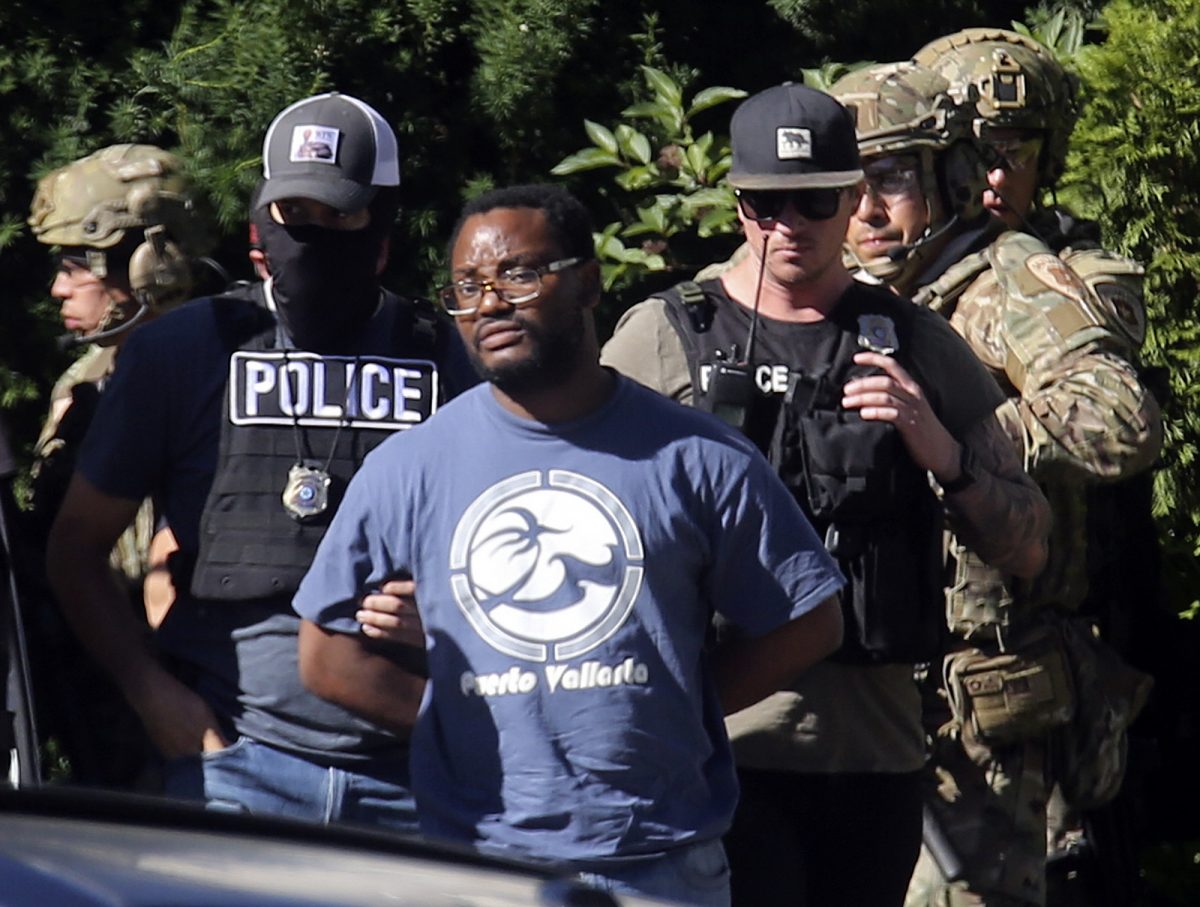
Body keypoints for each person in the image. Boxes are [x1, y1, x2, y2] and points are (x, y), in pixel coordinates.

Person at [293, 182, 847, 906]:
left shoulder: (697, 456)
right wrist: (458, 721)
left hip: (661, 864)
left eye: (518, 274)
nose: (488, 303)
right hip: (477, 865)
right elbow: (325, 655)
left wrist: (682, 706)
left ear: (588, 281)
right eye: (465, 287)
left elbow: (810, 620)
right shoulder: (410, 466)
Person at [600, 82, 1051, 907]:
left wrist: (940, 449)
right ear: (735, 204)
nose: (788, 226)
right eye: (763, 203)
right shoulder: (664, 336)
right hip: (716, 747)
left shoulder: (915, 341)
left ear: (852, 201)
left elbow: (1027, 544)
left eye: (813, 201)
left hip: (870, 758)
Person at [46, 91, 477, 829]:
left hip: (416, 778)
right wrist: (153, 695)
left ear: (383, 228)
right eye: (293, 214)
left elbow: (517, 558)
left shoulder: (452, 364)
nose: (311, 234)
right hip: (234, 769)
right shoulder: (181, 353)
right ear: (259, 226)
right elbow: (75, 550)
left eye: (338, 214)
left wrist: (447, 609)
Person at [829, 62, 1162, 907]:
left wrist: (964, 438)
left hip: (980, 702)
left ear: (952, 177)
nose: (865, 209)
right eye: (846, 183)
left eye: (892, 178)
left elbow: (1120, 416)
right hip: (855, 690)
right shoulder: (829, 283)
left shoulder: (1000, 277)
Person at [23, 144, 209, 787]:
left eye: (77, 265)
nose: (59, 287)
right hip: (97, 699)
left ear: (146, 262)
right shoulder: (83, 383)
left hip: (191, 694)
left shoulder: (219, 376)